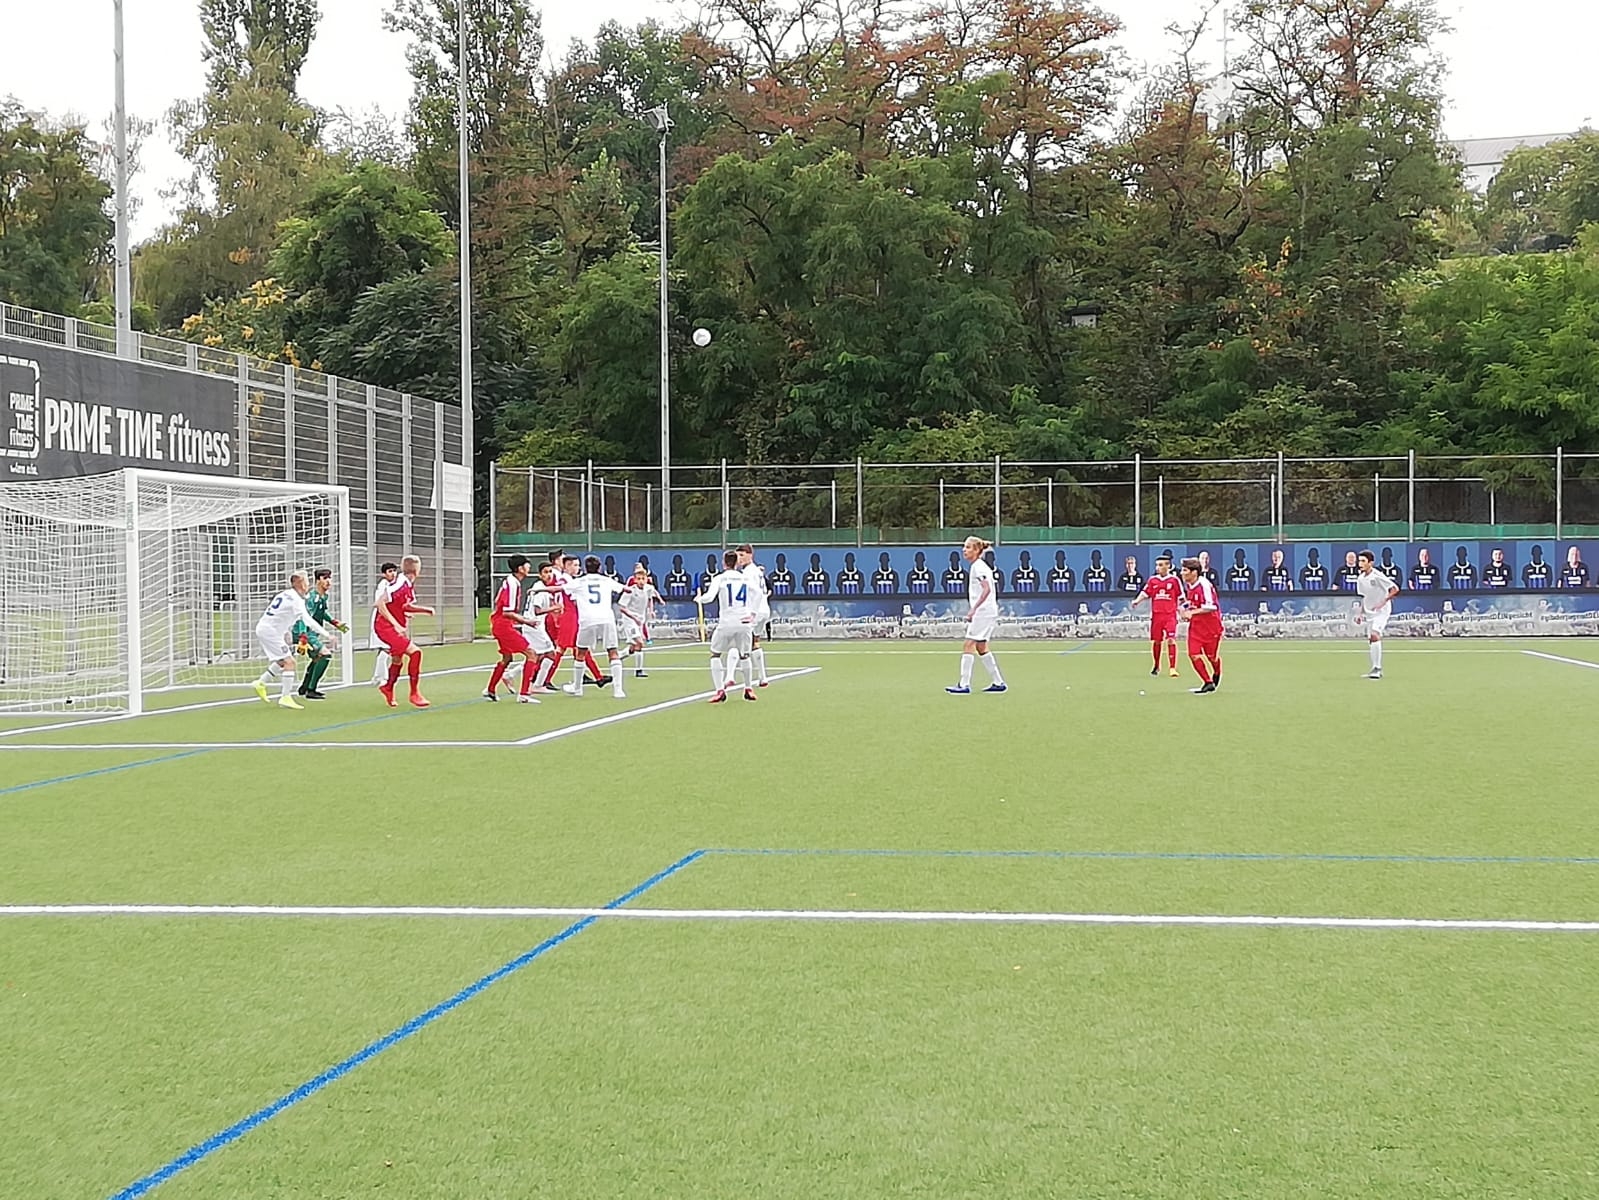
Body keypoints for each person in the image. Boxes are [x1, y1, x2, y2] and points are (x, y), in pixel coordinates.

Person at [537, 555, 629, 699]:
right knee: (613, 652)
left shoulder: (579, 582)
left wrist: (538, 591)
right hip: (606, 619)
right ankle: (618, 690)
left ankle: (578, 688)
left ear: (586, 568)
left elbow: (559, 589)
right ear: (600, 568)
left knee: (580, 653)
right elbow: (625, 589)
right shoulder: (606, 580)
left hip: (587, 620)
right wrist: (630, 588)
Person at [254, 571, 339, 710]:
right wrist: (327, 635)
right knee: (290, 662)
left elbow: (281, 614)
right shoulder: (297, 601)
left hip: (267, 629)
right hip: (271, 633)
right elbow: (308, 620)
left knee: (282, 660)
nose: (308, 584)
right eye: (306, 582)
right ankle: (285, 697)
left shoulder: (284, 594)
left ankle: (261, 682)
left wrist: (286, 632)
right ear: (300, 584)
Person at [696, 549, 759, 703]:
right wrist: (753, 614)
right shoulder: (744, 578)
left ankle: (720, 691)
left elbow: (710, 597)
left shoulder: (720, 578)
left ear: (723, 563)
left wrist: (699, 598)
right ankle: (748, 688)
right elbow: (758, 593)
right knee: (745, 655)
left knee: (715, 654)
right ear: (737, 563)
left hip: (727, 623)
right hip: (744, 622)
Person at [946, 536, 1006, 695]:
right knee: (981, 646)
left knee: (968, 645)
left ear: (977, 550)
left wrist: (974, 609)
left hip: (983, 612)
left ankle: (964, 684)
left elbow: (986, 589)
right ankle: (998, 682)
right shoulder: (979, 566)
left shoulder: (978, 567)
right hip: (987, 611)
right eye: (964, 547)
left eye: (968, 547)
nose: (964, 550)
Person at [373, 554, 435, 708]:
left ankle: (388, 688)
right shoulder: (400, 584)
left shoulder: (407, 584)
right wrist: (395, 624)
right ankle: (414, 693)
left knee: (397, 659)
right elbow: (379, 603)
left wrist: (424, 610)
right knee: (415, 653)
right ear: (417, 569)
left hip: (392, 626)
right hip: (385, 627)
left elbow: (404, 605)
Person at [484, 555, 542, 703]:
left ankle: (490, 690)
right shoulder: (513, 584)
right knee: (531, 654)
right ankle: (524, 694)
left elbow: (498, 601)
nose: (529, 568)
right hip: (503, 625)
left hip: (501, 624)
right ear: (520, 568)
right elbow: (507, 612)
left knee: (507, 658)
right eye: (527, 565)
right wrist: (526, 621)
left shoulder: (509, 581)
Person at [295, 567, 349, 700]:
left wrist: (334, 622)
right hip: (305, 632)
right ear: (318, 581)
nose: (329, 581)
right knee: (325, 654)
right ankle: (311, 690)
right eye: (325, 578)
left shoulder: (323, 596)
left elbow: (322, 612)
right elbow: (303, 617)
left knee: (317, 657)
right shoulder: (312, 597)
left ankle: (305, 687)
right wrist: (302, 637)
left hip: (311, 632)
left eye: (330, 578)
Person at [1130, 553, 1183, 677]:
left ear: (1167, 566)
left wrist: (1182, 610)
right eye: (1157, 565)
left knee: (1171, 639)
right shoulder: (1153, 580)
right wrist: (1137, 601)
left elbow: (1181, 597)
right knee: (1157, 641)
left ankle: (1172, 668)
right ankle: (1156, 665)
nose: (1158, 568)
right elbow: (1145, 592)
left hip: (1170, 615)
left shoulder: (1174, 580)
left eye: (1160, 565)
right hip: (1157, 615)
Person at [1177, 557, 1223, 694]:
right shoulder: (1189, 585)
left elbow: (1211, 607)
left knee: (1212, 657)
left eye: (1185, 570)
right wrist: (1182, 608)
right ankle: (1208, 682)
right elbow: (1192, 602)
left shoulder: (1204, 585)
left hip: (1211, 627)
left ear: (1194, 572)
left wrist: (1191, 613)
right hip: (1196, 627)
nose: (1182, 573)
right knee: (1193, 654)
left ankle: (1217, 671)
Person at [1353, 549, 1399, 680]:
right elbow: (1363, 597)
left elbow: (1395, 589)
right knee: (1372, 639)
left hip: (1381, 611)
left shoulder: (1377, 576)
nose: (1360, 563)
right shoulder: (1360, 579)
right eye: (1359, 561)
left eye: (1363, 561)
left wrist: (1383, 602)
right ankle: (1375, 668)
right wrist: (1360, 613)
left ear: (1370, 563)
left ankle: (1377, 669)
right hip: (1369, 612)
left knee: (1374, 635)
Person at [736, 544, 772, 687]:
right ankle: (763, 677)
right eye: (738, 556)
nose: (739, 559)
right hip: (764, 610)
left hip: (755, 611)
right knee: (755, 642)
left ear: (750, 555)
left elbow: (751, 593)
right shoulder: (757, 571)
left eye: (742, 555)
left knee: (739, 642)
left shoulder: (748, 573)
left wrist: (750, 612)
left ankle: (734, 677)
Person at [617, 561, 660, 677]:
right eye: (638, 579)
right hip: (629, 620)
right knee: (640, 643)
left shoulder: (648, 589)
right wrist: (633, 617)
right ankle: (639, 670)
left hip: (639, 619)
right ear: (635, 580)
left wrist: (651, 610)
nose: (641, 581)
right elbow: (622, 608)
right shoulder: (630, 591)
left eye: (643, 578)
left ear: (646, 579)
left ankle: (619, 656)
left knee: (634, 646)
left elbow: (652, 597)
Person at [369, 562, 399, 685]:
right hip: (381, 619)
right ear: (384, 574)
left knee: (386, 648)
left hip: (389, 619)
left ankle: (377, 677)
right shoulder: (383, 585)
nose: (393, 573)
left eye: (394, 571)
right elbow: (379, 603)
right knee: (387, 648)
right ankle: (383, 678)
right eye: (390, 571)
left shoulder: (395, 585)